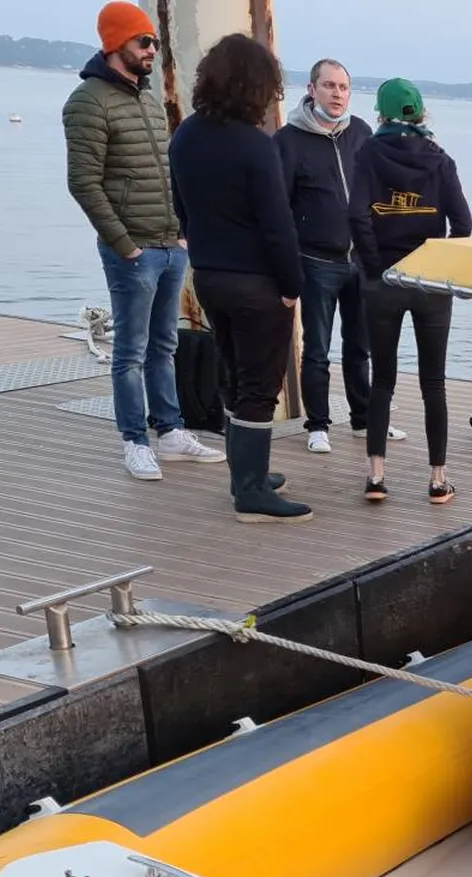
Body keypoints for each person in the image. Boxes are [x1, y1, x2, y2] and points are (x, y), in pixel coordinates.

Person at [63, 1, 224, 481]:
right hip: (132, 251)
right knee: (130, 352)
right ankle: (134, 441)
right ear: (116, 44)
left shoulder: (147, 99)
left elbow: (170, 171)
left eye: (154, 40)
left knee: (165, 345)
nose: (153, 49)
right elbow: (83, 183)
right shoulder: (88, 102)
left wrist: (183, 232)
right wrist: (123, 244)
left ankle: (171, 432)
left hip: (170, 245)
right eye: (143, 41)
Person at [166, 34, 313, 522]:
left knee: (233, 374)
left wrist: (205, 248)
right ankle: (250, 491)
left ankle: (247, 472)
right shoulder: (255, 146)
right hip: (256, 282)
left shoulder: (185, 135)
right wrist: (292, 286)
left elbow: (182, 206)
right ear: (257, 87)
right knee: (258, 385)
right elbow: (277, 224)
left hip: (210, 274)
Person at [348, 78, 472, 504]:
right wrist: (436, 266)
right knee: (433, 383)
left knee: (381, 379)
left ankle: (376, 478)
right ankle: (438, 481)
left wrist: (375, 265)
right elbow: (464, 226)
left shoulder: (368, 153)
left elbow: (357, 216)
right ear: (420, 113)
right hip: (429, 284)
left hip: (383, 282)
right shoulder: (440, 160)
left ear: (381, 113)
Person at [275, 59, 404, 453]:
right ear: (312, 90)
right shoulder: (288, 140)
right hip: (316, 261)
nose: (337, 94)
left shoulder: (361, 133)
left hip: (362, 260)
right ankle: (318, 425)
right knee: (317, 348)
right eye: (329, 86)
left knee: (361, 344)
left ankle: (364, 419)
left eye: (343, 87)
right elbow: (278, 205)